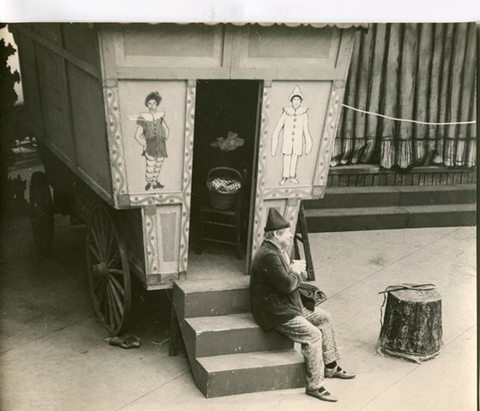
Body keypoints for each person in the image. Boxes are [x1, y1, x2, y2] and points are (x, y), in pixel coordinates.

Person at [250, 208, 355, 402]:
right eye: (287, 232)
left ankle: (330, 366)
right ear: (275, 234)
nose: (291, 235)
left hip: (289, 305)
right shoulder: (269, 256)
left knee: (324, 317)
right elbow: (288, 285)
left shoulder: (277, 250)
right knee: (313, 335)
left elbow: (287, 282)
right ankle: (315, 385)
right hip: (277, 312)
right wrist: (296, 272)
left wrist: (292, 271)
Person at [271, 86, 313, 186]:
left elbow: (306, 129)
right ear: (291, 100)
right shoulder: (286, 112)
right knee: (286, 158)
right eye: (294, 99)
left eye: (298, 99)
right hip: (287, 141)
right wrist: (274, 138)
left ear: (300, 101)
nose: (296, 101)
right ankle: (285, 177)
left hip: (297, 141)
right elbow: (278, 127)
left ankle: (292, 176)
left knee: (294, 158)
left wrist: (308, 141)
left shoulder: (303, 113)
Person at [134, 91, 170, 191]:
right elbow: (137, 135)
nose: (152, 105)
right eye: (150, 103)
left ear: (157, 104)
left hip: (161, 145)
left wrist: (164, 138)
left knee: (158, 164)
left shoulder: (160, 117)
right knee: (150, 166)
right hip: (150, 145)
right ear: (147, 104)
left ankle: (155, 182)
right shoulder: (143, 118)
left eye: (154, 103)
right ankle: (149, 182)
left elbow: (167, 129)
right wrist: (144, 144)